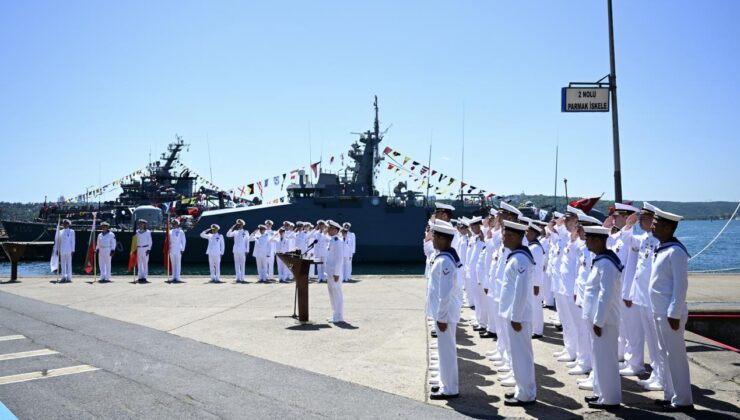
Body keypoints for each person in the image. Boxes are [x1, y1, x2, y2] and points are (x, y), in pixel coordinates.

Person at [649, 207, 694, 413]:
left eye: (656, 224)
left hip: (670, 314)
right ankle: (671, 395)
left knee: (675, 357)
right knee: (665, 356)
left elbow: (680, 286)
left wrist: (674, 313)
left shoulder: (676, 251)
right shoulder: (663, 248)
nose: (652, 226)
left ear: (667, 227)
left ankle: (683, 399)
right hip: (660, 311)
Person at [582, 225, 624, 410]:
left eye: (588, 239)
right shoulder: (601, 260)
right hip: (599, 320)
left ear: (598, 240)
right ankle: (601, 394)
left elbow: (605, 295)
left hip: (604, 321)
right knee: (599, 359)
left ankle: (610, 398)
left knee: (606, 360)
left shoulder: (606, 263)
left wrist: (598, 321)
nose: (586, 242)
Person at [499, 220, 537, 406]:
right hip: (514, 314)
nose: (502, 237)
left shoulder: (521, 259)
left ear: (513, 237)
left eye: (505, 234)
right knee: (517, 355)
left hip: (518, 316)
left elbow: (521, 291)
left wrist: (515, 316)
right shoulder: (516, 256)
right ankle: (521, 389)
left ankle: (526, 394)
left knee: (522, 356)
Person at [427, 219, 463, 400]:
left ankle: (450, 388)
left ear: (443, 239)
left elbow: (445, 293)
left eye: (435, 236)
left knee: (447, 351)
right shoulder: (446, 256)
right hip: (444, 313)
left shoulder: (445, 261)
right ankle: (445, 383)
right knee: (444, 350)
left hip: (445, 314)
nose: (432, 239)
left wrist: (441, 317)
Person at [525, 222, 545, 339]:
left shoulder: (536, 248)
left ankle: (538, 330)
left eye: (527, 231)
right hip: (531, 281)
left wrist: (536, 284)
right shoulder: (531, 246)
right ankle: (534, 328)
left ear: (533, 233)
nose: (526, 233)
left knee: (536, 306)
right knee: (532, 306)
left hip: (534, 283)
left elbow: (538, 268)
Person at [324, 220, 345, 323]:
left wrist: (336, 273)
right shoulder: (332, 240)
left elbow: (339, 259)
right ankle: (335, 314)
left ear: (335, 229)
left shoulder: (338, 241)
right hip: (330, 272)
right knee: (332, 294)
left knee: (337, 294)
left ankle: (339, 316)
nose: (327, 229)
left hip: (335, 273)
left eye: (330, 228)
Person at [227, 219, 250, 283]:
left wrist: (247, 250)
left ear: (243, 225)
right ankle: (238, 278)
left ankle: (242, 278)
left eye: (240, 224)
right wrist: (232, 227)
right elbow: (228, 235)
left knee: (242, 265)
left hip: (243, 250)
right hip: (236, 250)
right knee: (236, 264)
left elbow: (247, 242)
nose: (239, 225)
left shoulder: (246, 232)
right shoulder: (235, 232)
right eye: (238, 224)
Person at [168, 219, 187, 283]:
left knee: (178, 263)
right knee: (173, 264)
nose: (173, 224)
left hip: (178, 249)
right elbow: (168, 241)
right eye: (173, 223)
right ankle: (173, 277)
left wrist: (183, 249)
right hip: (171, 249)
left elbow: (183, 241)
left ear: (178, 224)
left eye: (175, 223)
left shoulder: (181, 231)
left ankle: (178, 277)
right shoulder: (170, 231)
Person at [135, 219, 152, 283]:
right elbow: (135, 241)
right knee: (139, 263)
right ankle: (140, 276)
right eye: (140, 224)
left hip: (145, 248)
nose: (141, 225)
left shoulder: (148, 232)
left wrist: (149, 249)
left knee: (145, 263)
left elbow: (150, 241)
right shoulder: (137, 232)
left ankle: (144, 277)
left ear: (144, 224)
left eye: (142, 224)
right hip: (139, 248)